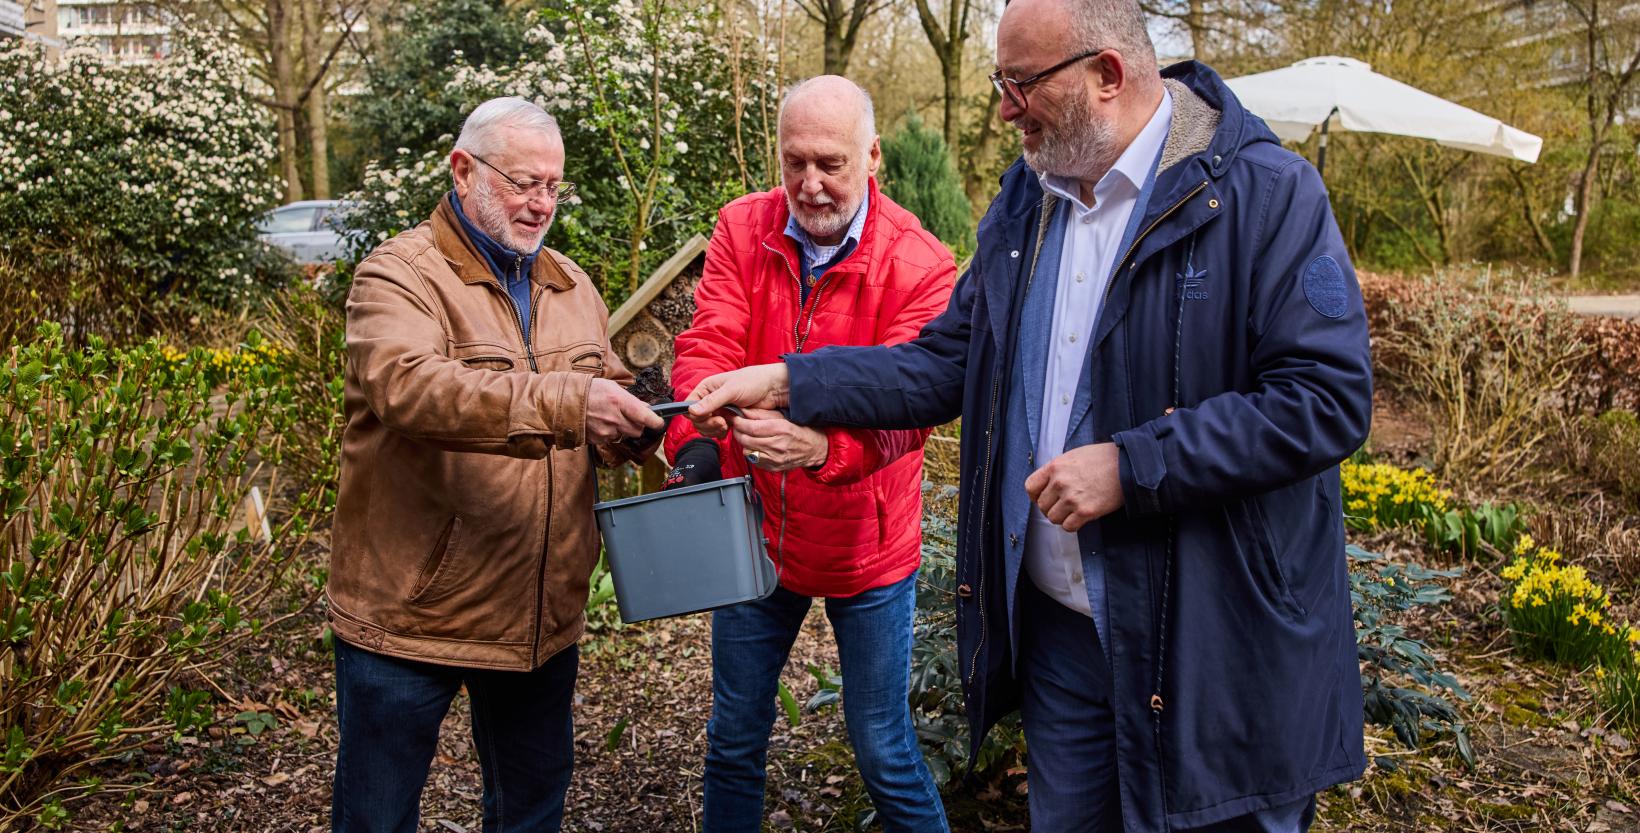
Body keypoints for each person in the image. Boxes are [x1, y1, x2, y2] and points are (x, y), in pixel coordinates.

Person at [684, 1, 1374, 830]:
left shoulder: (1266, 196)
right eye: (998, 82)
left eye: (1022, 83)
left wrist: (1133, 465)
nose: (1005, 108)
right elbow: (944, 363)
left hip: (1212, 648)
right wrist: (790, 380)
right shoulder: (1029, 200)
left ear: (1106, 75)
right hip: (1064, 647)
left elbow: (1325, 399)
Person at [326, 96, 663, 833]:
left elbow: (598, 393)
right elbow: (411, 389)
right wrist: (573, 402)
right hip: (412, 613)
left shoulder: (571, 283)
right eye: (523, 183)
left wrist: (633, 430)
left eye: (553, 186)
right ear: (463, 170)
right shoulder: (397, 274)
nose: (542, 203)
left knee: (530, 815)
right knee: (376, 819)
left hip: (538, 616)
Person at [663, 76, 956, 833]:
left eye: (830, 163)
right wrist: (697, 439)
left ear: (872, 157)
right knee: (734, 735)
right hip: (759, 530)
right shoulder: (743, 226)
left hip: (868, 541)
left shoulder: (921, 264)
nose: (810, 183)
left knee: (883, 747)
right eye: (794, 162)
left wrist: (824, 447)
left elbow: (912, 410)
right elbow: (709, 342)